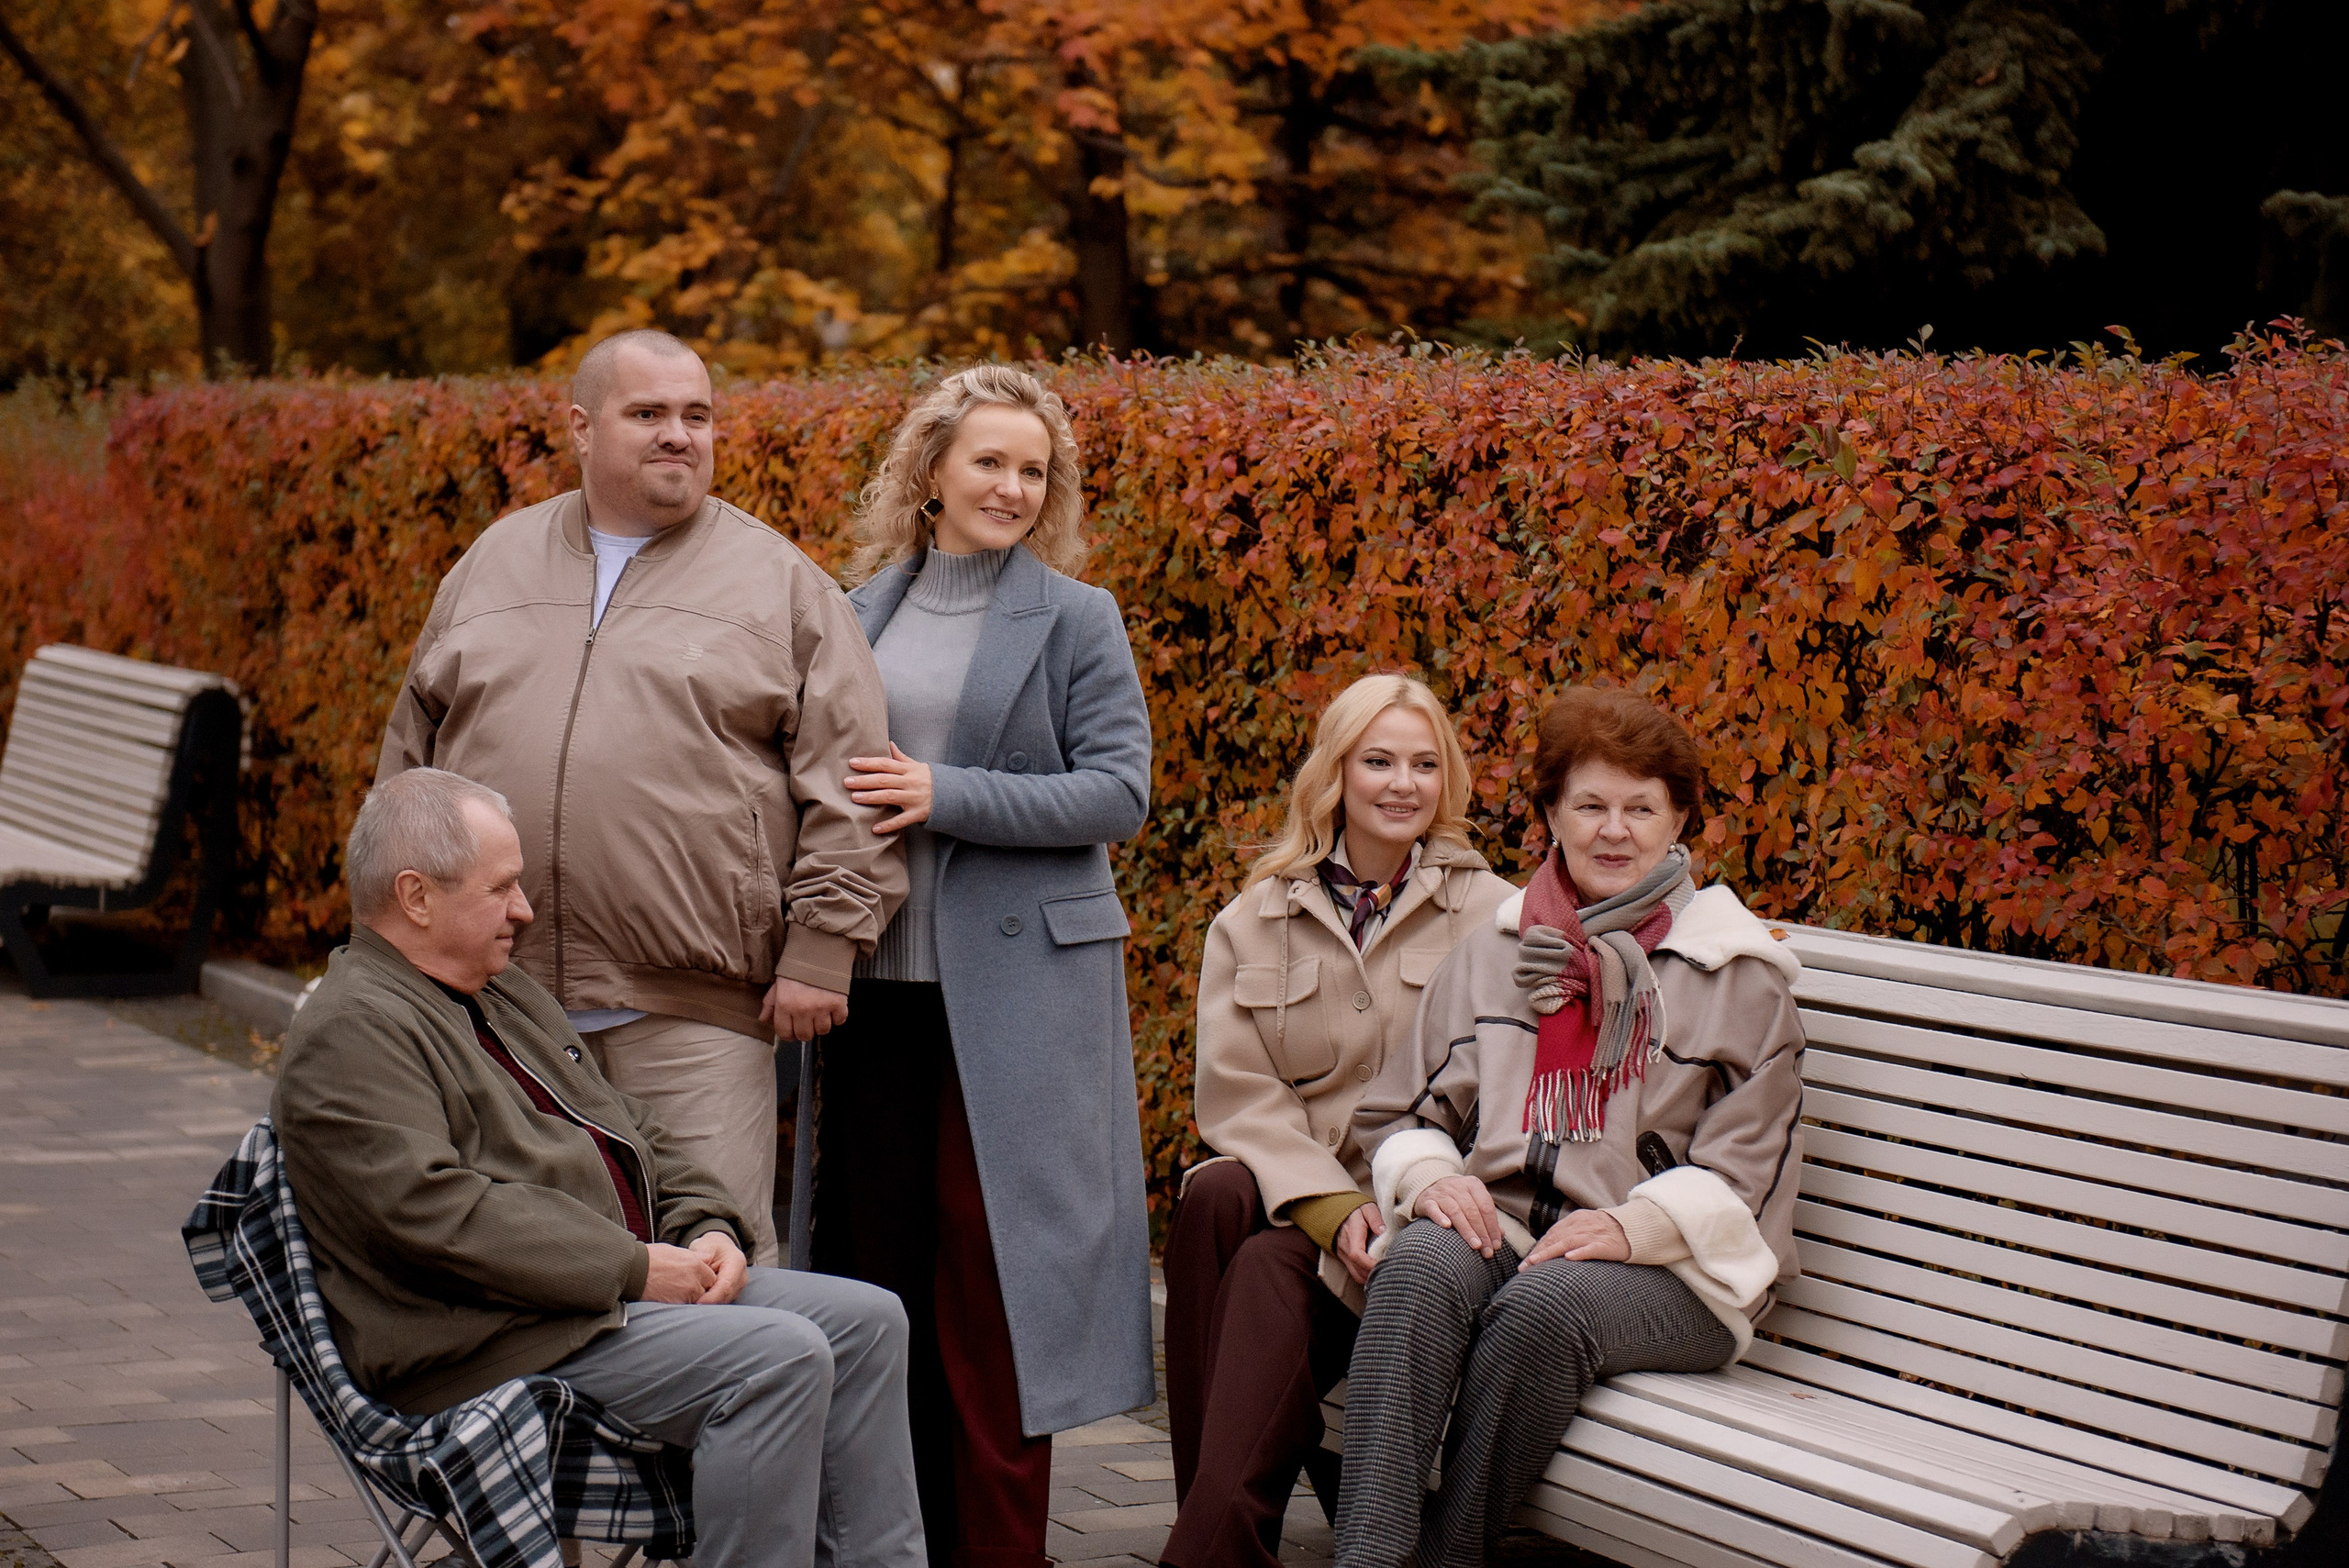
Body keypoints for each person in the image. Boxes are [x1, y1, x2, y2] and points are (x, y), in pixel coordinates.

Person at [273, 768, 925, 1568]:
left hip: (587, 1297)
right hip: (491, 1335)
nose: (525, 909)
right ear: (415, 896)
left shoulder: (495, 989)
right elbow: (434, 1215)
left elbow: (631, 1127)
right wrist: (631, 1268)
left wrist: (708, 1225)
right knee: (779, 1357)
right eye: (502, 887)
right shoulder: (352, 1029)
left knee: (870, 1323)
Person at [376, 328, 904, 1266]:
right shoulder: (493, 565)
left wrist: (823, 944)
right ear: (581, 427)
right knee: (529, 1271)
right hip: (503, 1005)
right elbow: (411, 771)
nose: (679, 435)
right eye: (649, 413)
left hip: (693, 1018)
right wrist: (390, 948)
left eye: (696, 415)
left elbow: (853, 777)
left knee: (716, 1271)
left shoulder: (778, 582)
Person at [809, 364, 1154, 1568]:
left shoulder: (1076, 617)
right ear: (932, 473)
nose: (1012, 486)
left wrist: (944, 793)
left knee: (999, 1300)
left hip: (1017, 1007)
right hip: (870, 997)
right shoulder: (859, 609)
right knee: (879, 1284)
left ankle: (1004, 1554)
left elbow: (1121, 790)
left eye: (1033, 469)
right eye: (990, 462)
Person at [1338, 686, 1805, 1568]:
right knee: (1423, 1260)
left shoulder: (1737, 974)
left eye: (1641, 808)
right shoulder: (1497, 950)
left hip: (1678, 1274)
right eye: (1590, 805)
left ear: (1678, 822)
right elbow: (1405, 1110)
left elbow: (1747, 1172)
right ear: (1553, 812)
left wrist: (1634, 1226)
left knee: (1540, 1307)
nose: (1613, 830)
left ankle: (1451, 1556)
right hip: (1517, 1232)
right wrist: (1431, 1174)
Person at [1161, 674, 1516, 1568]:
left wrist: (1396, 1195)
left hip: (1426, 1208)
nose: (1403, 782)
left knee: (1260, 1257)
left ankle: (1210, 1541)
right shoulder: (1256, 916)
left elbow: (1504, 1088)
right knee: (1215, 1197)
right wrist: (1325, 1204)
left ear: (1448, 779)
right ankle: (1215, 1525)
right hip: (1310, 1197)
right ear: (1336, 772)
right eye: (1379, 760)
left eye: (1424, 763)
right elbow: (1238, 1092)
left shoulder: (1493, 916)